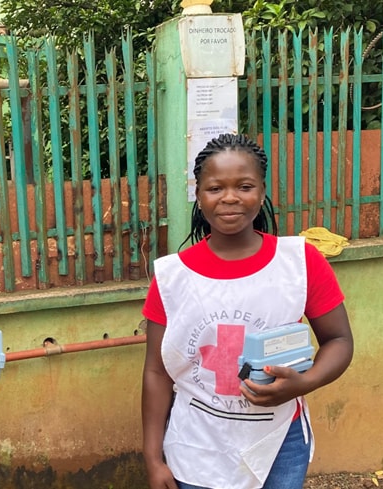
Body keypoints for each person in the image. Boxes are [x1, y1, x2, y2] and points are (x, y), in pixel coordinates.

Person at [141, 133, 354, 489]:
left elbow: (339, 340)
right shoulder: (171, 277)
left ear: (262, 191)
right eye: (215, 188)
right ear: (198, 194)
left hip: (278, 444)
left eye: (244, 186)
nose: (229, 198)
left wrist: (306, 382)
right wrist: (152, 457)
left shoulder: (299, 263)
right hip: (196, 447)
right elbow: (156, 372)